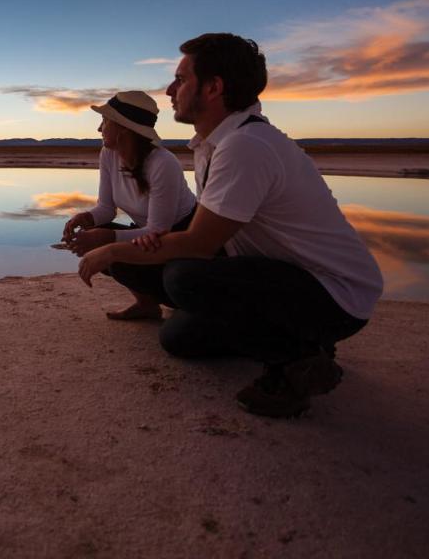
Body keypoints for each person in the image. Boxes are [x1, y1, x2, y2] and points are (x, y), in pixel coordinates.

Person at [77, 34, 382, 418]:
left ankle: (299, 362)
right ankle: (300, 338)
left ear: (213, 88)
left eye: (181, 80)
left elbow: (199, 244)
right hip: (281, 276)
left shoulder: (246, 145)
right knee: (178, 339)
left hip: (332, 296)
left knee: (185, 277)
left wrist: (111, 248)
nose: (170, 90)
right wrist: (119, 245)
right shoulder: (215, 144)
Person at [61, 90, 197, 320]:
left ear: (123, 128)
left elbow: (158, 231)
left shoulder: (163, 163)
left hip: (179, 241)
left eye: (105, 121)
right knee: (96, 235)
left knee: (108, 247)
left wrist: (107, 238)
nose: (99, 129)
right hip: (150, 237)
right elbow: (106, 209)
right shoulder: (109, 154)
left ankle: (173, 296)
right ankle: (146, 305)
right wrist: (86, 218)